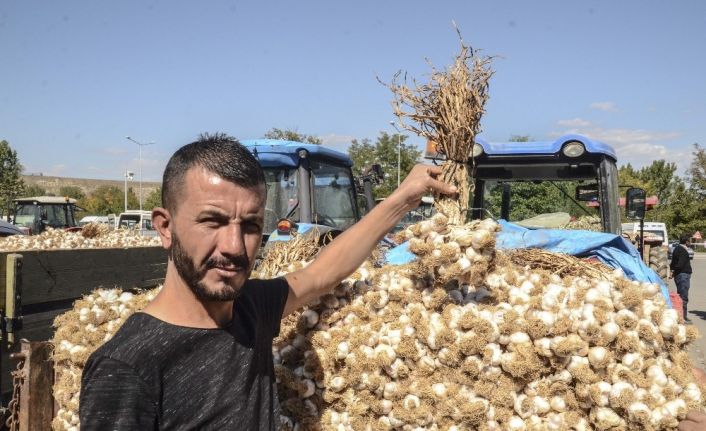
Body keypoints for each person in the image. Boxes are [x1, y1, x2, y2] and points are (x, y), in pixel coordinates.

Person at [79, 133, 457, 430]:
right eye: (212, 221)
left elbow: (322, 273)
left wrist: (404, 198)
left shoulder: (250, 309)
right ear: (165, 227)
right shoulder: (128, 367)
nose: (232, 246)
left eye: (250, 226)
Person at [670, 233, 693, 322]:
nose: (690, 242)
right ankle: (682, 317)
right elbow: (679, 265)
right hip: (683, 276)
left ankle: (681, 316)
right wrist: (675, 271)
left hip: (680, 275)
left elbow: (673, 263)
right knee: (683, 297)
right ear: (686, 241)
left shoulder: (677, 249)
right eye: (690, 240)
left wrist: (673, 271)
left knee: (681, 296)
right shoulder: (682, 251)